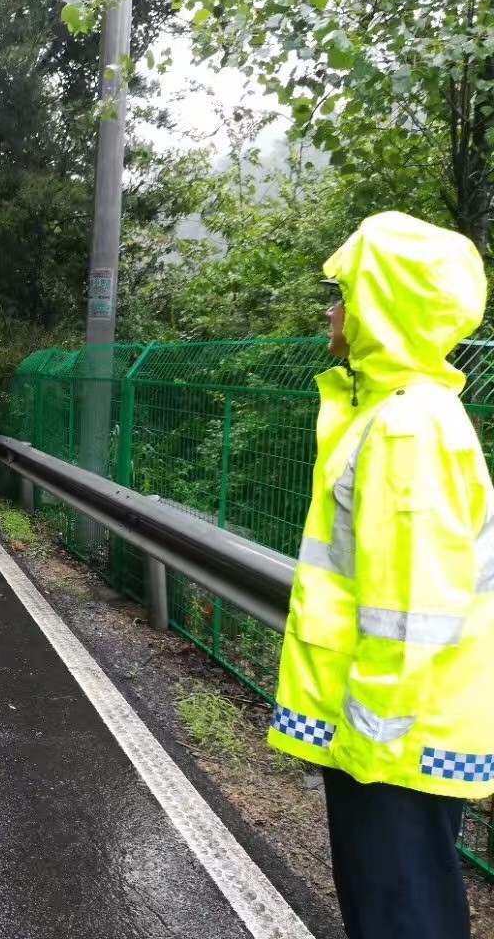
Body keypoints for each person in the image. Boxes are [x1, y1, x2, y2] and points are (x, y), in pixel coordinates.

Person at [268, 211, 492, 939]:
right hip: (402, 731)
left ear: (381, 303)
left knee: (402, 919)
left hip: (394, 743)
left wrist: (367, 745)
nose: (332, 310)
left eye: (344, 293)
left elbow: (410, 610)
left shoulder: (406, 426)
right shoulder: (402, 414)